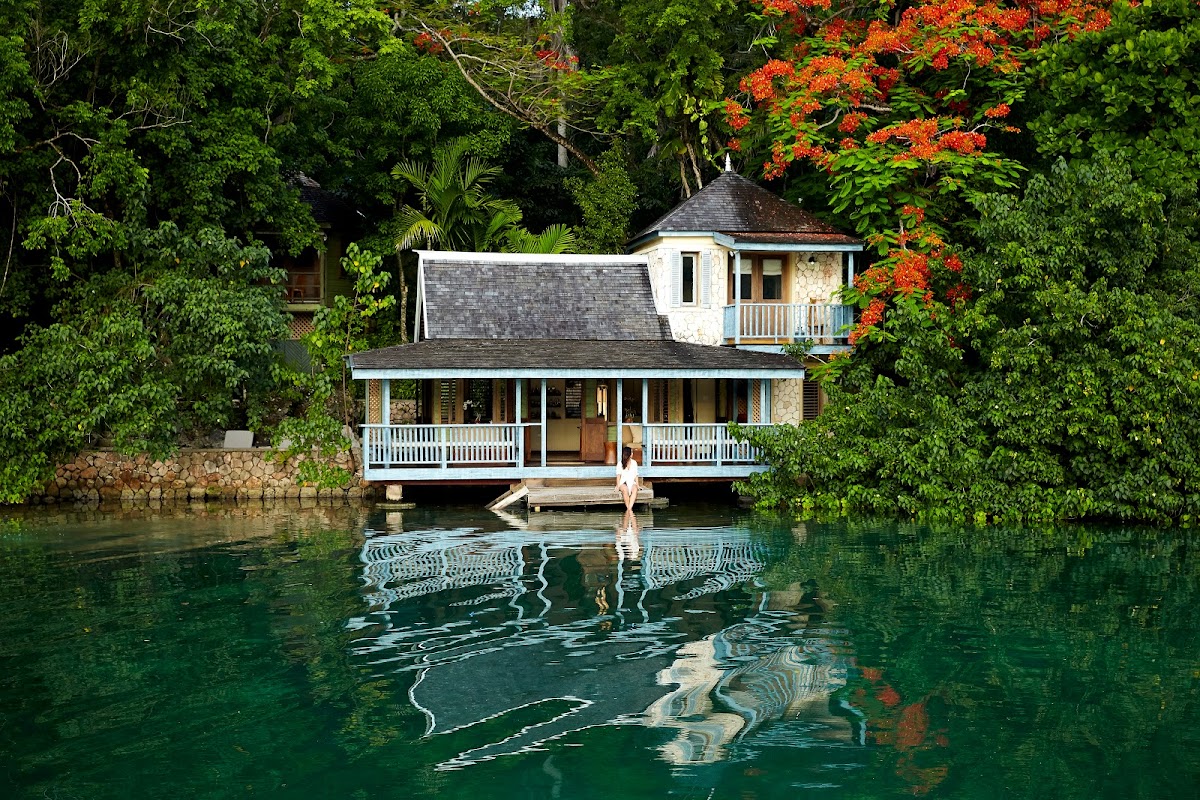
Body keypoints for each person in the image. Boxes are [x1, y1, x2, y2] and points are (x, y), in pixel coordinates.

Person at [615, 445, 638, 512]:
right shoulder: (620, 463)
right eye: (632, 452)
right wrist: (618, 485)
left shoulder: (634, 463)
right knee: (625, 490)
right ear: (629, 454)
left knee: (635, 489)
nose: (632, 454)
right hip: (623, 482)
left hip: (631, 481)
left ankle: (629, 508)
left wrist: (637, 484)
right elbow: (618, 475)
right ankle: (629, 509)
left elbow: (636, 474)